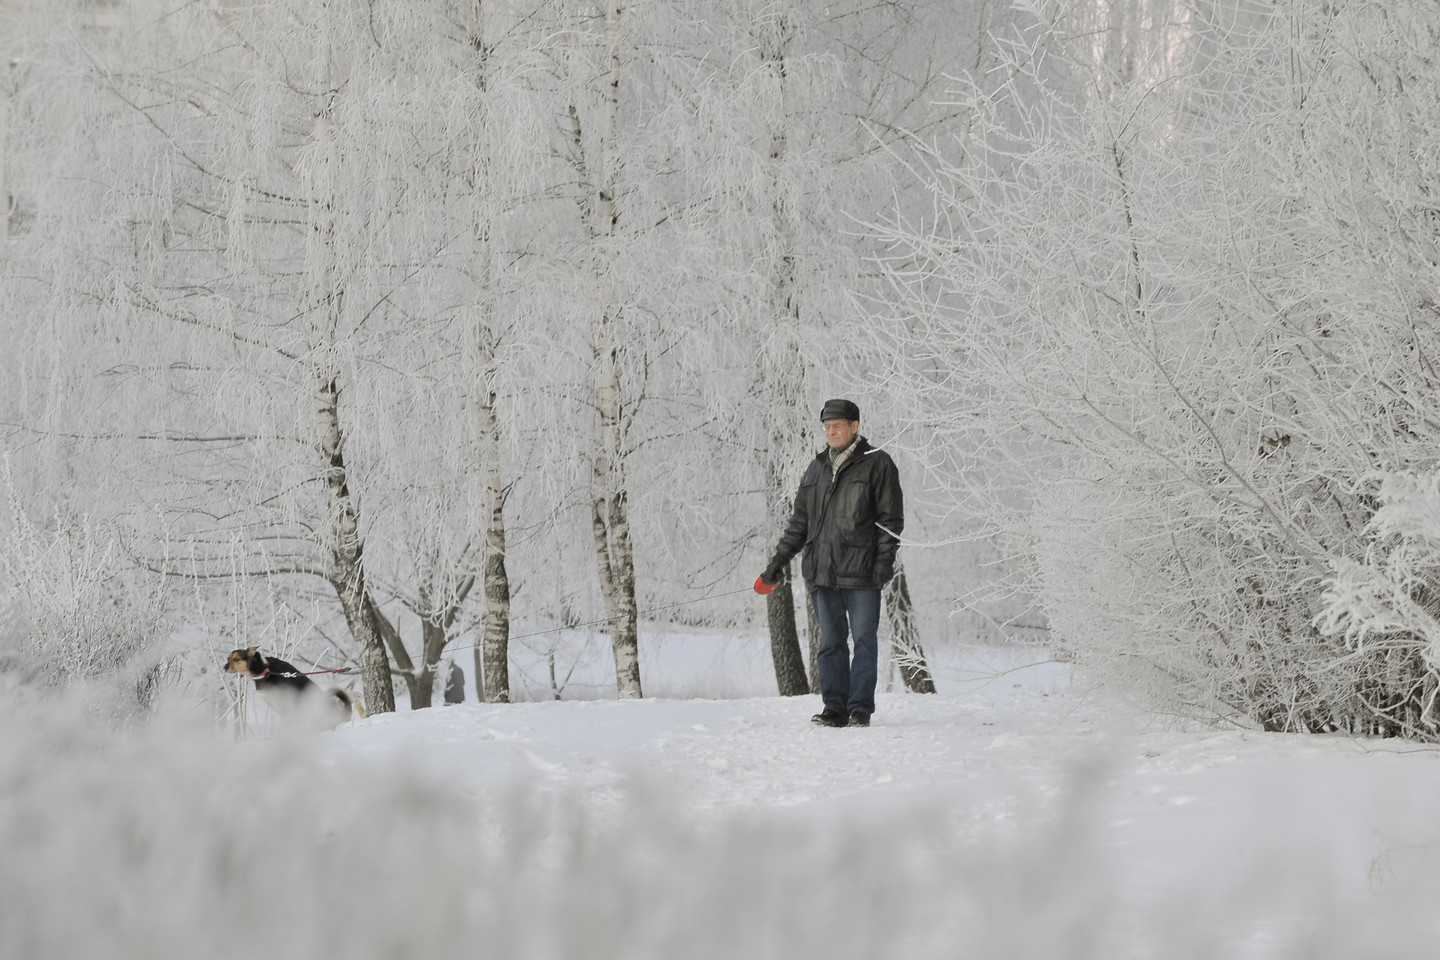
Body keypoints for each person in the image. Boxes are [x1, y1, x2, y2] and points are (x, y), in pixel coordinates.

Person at [760, 399, 903, 727]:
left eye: (838, 425)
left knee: (864, 641)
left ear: (855, 426)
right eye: (827, 426)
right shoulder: (816, 468)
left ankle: (860, 709)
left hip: (863, 572)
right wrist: (777, 562)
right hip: (822, 572)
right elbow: (800, 523)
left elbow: (890, 520)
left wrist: (884, 562)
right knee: (830, 643)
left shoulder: (878, 464)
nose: (831, 431)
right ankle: (834, 708)